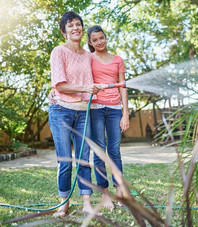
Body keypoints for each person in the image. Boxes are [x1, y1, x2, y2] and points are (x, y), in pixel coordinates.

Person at [48, 11, 100, 217]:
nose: (75, 28)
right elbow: (59, 84)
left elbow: (100, 74)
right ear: (64, 31)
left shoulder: (89, 55)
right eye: (70, 25)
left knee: (83, 157)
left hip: (83, 112)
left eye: (78, 24)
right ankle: (64, 203)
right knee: (65, 160)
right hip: (61, 110)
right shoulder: (58, 52)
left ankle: (86, 202)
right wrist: (86, 88)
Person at [87, 25, 130, 209]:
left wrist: (125, 113)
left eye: (101, 38)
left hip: (114, 110)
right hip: (95, 108)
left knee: (114, 151)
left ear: (106, 37)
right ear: (90, 42)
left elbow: (123, 87)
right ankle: (105, 195)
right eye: (95, 40)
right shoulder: (88, 59)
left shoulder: (118, 60)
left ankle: (119, 192)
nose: (99, 42)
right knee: (99, 152)